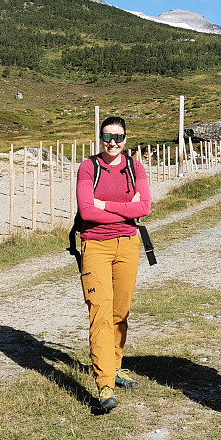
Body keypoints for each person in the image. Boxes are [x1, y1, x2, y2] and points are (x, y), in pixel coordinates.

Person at [75, 116, 152, 412]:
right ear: (99, 137)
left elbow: (144, 207)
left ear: (126, 138)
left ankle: (115, 365)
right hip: (95, 246)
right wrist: (124, 210)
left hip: (129, 245)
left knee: (120, 312)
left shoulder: (135, 167)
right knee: (100, 312)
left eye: (118, 137)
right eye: (107, 137)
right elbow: (86, 210)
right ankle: (104, 384)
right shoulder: (88, 167)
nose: (112, 143)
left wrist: (104, 205)